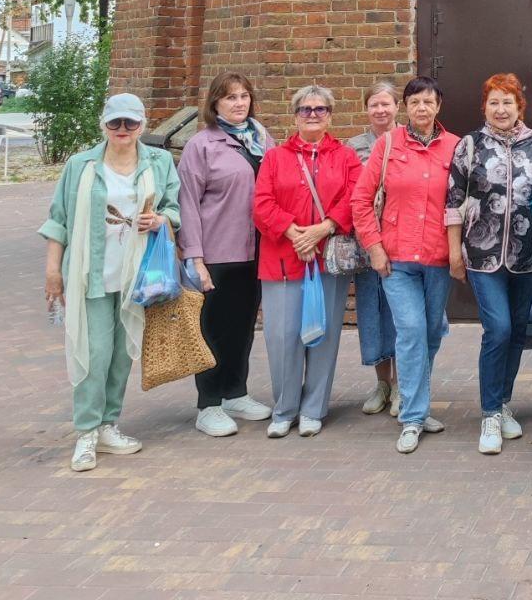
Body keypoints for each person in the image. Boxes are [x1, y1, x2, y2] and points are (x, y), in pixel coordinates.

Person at [41, 93, 181, 472]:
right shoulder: (81, 165)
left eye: (130, 123)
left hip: (137, 275)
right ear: (103, 123)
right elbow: (59, 220)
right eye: (115, 123)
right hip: (90, 273)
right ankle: (86, 431)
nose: (122, 130)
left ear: (142, 125)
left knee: (122, 356)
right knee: (94, 353)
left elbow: (174, 207)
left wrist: (161, 220)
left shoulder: (159, 161)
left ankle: (108, 425)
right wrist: (53, 271)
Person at [352, 76, 458, 455]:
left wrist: (458, 253)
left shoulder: (455, 147)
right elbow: (361, 201)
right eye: (415, 103)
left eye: (428, 102)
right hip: (396, 260)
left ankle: (418, 402)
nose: (422, 109)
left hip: (438, 259)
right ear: (406, 108)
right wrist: (375, 248)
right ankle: (412, 417)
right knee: (411, 330)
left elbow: (464, 203)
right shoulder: (388, 144)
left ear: (438, 106)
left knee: (429, 334)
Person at [445, 73, 532, 454]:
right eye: (494, 102)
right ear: (484, 107)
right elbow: (453, 201)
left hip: (527, 255)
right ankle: (489, 412)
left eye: (508, 102)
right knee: (499, 329)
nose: (500, 109)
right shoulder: (470, 145)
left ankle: (503, 403)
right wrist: (455, 252)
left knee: (519, 330)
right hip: (482, 255)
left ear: (519, 106)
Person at [252, 85, 362, 439]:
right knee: (283, 338)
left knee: (323, 337)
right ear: (295, 114)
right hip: (283, 260)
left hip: (326, 260)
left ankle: (314, 407)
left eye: (320, 109)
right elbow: (262, 203)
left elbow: (355, 197)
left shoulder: (345, 156)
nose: (312, 115)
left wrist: (324, 228)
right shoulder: (275, 157)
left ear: (330, 114)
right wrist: (293, 232)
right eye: (305, 109)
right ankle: (285, 408)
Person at [177, 72, 275, 438]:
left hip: (256, 252)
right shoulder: (202, 146)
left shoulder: (262, 139)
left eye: (244, 96)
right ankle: (209, 404)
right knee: (213, 330)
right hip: (217, 253)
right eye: (230, 97)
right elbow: (187, 202)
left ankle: (236, 392)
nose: (239, 103)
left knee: (242, 327)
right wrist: (195, 257)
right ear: (214, 103)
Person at [346, 81, 401, 418]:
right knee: (373, 313)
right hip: (367, 243)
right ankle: (382, 382)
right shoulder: (353, 147)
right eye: (374, 105)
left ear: (398, 107)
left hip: (402, 241)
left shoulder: (407, 141)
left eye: (386, 104)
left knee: (401, 314)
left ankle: (401, 384)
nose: (381, 111)